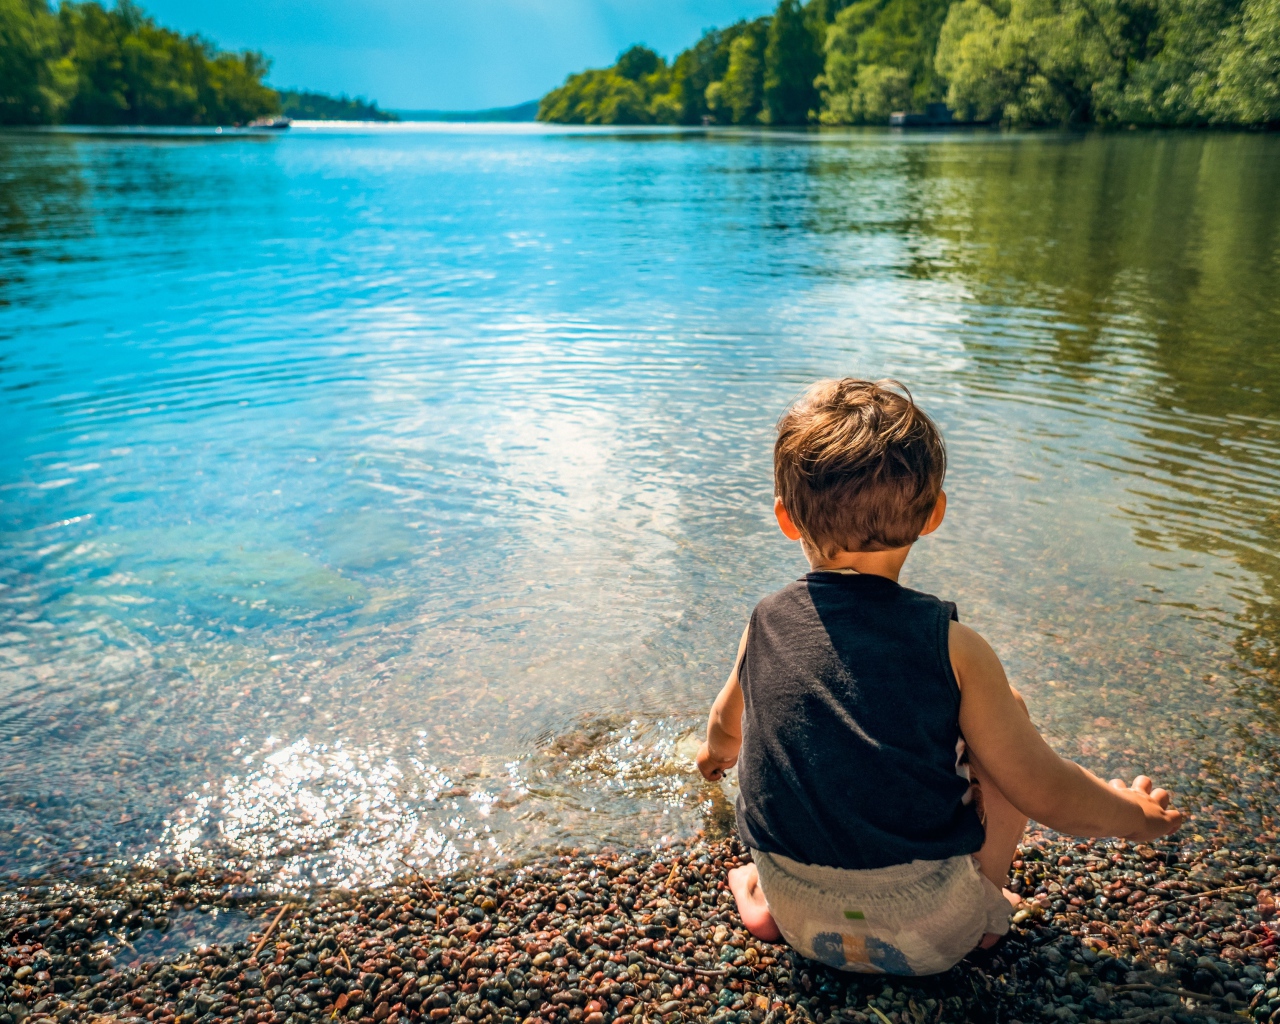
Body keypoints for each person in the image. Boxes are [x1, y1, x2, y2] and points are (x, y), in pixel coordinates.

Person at [695, 378, 1182, 976]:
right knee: (1006, 715)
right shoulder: (955, 648)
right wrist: (1137, 815)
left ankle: (761, 898)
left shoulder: (763, 624)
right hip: (932, 935)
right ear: (934, 514)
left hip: (801, 921)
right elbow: (1048, 792)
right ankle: (987, 905)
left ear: (786, 521)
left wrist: (712, 760)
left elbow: (725, 726)